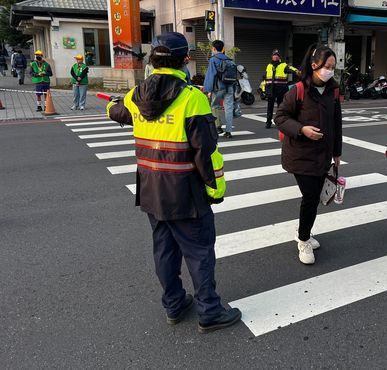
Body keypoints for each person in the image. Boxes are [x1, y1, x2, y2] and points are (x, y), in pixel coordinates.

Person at [106, 32, 241, 333]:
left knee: (164, 250)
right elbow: (205, 152)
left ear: (152, 59)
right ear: (185, 60)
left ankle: (174, 304)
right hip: (186, 193)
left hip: (151, 190)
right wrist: (216, 188)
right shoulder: (192, 98)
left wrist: (110, 105)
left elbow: (117, 112)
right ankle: (209, 311)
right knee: (199, 252)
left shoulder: (136, 95)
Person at [274, 45, 342, 265]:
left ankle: (304, 232)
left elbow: (336, 124)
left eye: (333, 67)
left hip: (322, 155)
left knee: (314, 198)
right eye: (327, 66)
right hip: (300, 155)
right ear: (314, 66)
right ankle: (303, 239)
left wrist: (337, 152)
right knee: (311, 198)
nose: (330, 70)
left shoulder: (333, 91)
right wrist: (302, 129)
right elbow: (281, 117)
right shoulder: (298, 90)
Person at [204, 40, 235, 138]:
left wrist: (208, 90)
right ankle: (228, 132)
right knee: (229, 109)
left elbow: (211, 75)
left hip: (218, 88)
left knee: (214, 106)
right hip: (229, 87)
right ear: (222, 48)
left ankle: (218, 127)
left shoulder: (213, 59)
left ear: (214, 48)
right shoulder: (229, 60)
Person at [265, 49, 298, 129]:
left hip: (281, 89)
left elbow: (292, 69)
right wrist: (264, 89)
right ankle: (268, 122)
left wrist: (297, 72)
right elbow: (266, 78)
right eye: (274, 55)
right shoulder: (269, 66)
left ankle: (279, 122)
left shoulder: (283, 65)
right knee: (270, 106)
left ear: (279, 57)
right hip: (270, 89)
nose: (275, 56)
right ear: (272, 57)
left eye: (277, 55)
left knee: (281, 107)